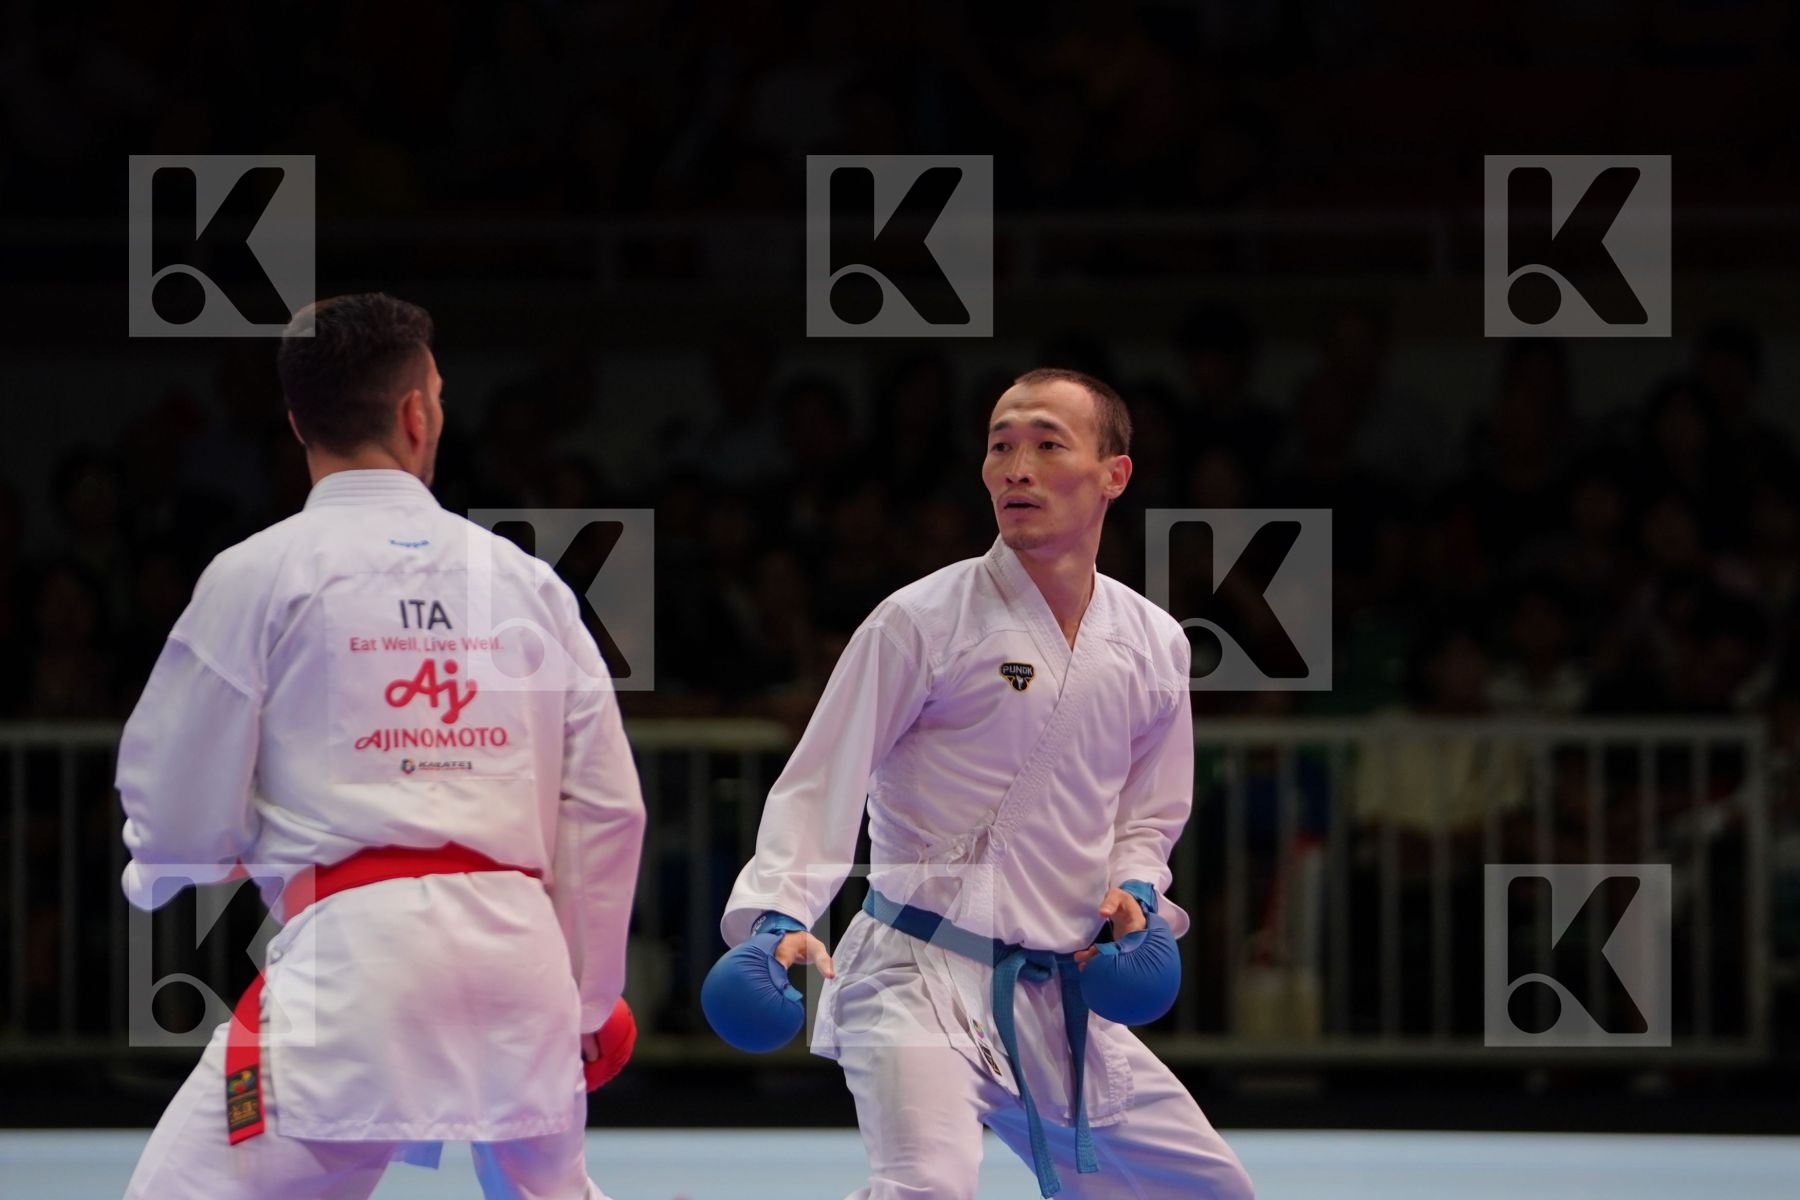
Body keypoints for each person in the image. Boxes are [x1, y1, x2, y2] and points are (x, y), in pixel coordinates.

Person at [117, 293, 646, 1200]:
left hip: (357, 971)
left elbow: (176, 810)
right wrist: (586, 1002)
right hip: (518, 967)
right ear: (416, 412)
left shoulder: (258, 574)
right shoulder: (528, 583)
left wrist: (163, 868)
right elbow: (606, 811)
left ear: (297, 420)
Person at [715, 368, 1255, 1198]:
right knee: (924, 1187)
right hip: (917, 977)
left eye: (1047, 445)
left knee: (1213, 1192)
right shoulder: (920, 621)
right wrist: (778, 915)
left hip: (1058, 994)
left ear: (1114, 474)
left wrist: (1138, 890)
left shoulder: (1153, 642)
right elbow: (824, 776)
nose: (1016, 468)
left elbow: (1148, 812)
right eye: (1001, 446)